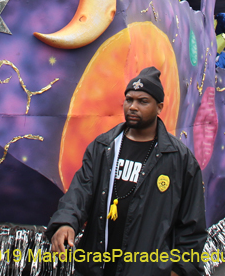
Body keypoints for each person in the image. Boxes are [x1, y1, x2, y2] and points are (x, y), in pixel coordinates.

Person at [47, 66, 206, 276]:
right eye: (129, 100)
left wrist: (179, 269)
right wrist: (66, 222)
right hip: (97, 267)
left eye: (143, 101)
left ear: (159, 107)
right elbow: (80, 191)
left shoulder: (179, 159)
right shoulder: (104, 147)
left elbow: (192, 225)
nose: (133, 106)